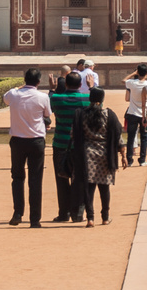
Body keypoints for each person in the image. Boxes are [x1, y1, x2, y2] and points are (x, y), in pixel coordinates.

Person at [68, 87, 123, 226]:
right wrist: (123, 154)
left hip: (87, 155)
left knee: (89, 188)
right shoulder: (109, 114)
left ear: (90, 98)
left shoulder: (81, 114)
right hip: (105, 154)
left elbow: (73, 135)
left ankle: (90, 218)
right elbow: (118, 136)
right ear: (102, 99)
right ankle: (105, 217)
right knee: (104, 188)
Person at [5, 68, 53, 227]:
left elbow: (6, 97)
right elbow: (47, 115)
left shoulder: (13, 94)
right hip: (36, 141)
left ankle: (18, 213)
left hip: (18, 141)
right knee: (35, 180)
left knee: (17, 178)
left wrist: (19, 87)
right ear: (39, 82)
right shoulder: (43, 97)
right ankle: (35, 219)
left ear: (24, 79)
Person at [49, 72, 89, 222]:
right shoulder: (86, 99)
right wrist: (91, 88)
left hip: (60, 143)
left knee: (61, 179)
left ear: (65, 84)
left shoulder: (56, 99)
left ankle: (63, 213)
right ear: (80, 85)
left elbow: (48, 105)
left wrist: (52, 89)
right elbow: (99, 104)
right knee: (79, 179)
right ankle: (78, 213)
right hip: (80, 145)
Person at [123, 63, 147, 165]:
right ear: (146, 73)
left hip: (132, 113)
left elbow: (123, 80)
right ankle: (142, 160)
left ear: (138, 72)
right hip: (144, 113)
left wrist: (134, 73)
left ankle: (129, 160)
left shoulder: (132, 83)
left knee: (131, 137)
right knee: (144, 137)